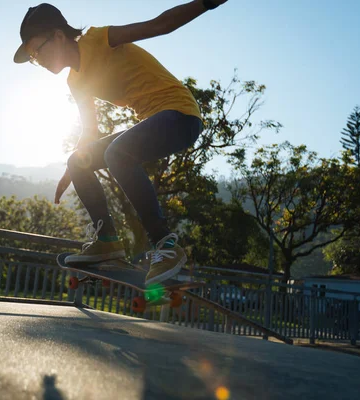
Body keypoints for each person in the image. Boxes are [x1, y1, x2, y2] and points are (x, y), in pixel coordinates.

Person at [13, 1, 228, 285]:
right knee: (78, 159)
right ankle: (107, 242)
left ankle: (165, 245)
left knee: (118, 154)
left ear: (58, 35)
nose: (37, 60)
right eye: (32, 58)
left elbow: (159, 25)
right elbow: (89, 131)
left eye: (36, 51)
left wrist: (206, 3)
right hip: (154, 122)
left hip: (181, 115)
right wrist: (74, 168)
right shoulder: (74, 82)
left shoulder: (99, 39)